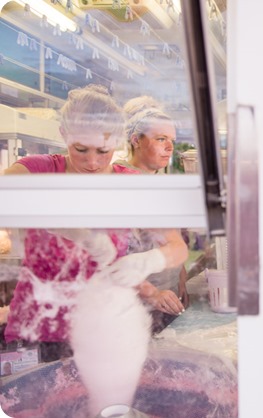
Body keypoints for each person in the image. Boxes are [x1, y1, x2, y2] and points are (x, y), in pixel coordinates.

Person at [2, 85, 188, 361]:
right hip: (38, 329)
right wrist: (67, 226)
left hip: (101, 329)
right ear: (64, 135)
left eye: (103, 150)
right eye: (81, 149)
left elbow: (177, 248)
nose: (92, 162)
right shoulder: (35, 170)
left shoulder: (131, 184)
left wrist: (148, 261)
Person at [119, 96, 190, 332]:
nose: (170, 147)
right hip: (135, 308)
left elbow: (172, 239)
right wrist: (153, 293)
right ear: (135, 140)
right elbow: (111, 259)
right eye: (161, 139)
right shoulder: (121, 183)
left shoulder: (160, 182)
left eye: (171, 140)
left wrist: (181, 276)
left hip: (167, 302)